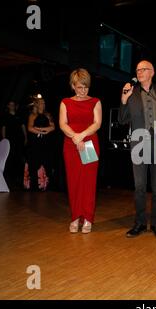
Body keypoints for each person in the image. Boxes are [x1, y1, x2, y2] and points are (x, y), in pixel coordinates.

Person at [119, 60, 156, 239]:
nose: (139, 72)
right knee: (139, 187)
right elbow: (122, 119)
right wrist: (124, 98)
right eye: (137, 70)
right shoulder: (132, 94)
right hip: (139, 144)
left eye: (143, 69)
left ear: (152, 72)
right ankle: (139, 223)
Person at [59, 68, 102, 234]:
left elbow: (97, 123)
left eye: (86, 87)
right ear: (72, 86)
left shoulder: (95, 101)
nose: (83, 91)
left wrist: (81, 136)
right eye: (79, 87)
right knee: (74, 182)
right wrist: (75, 137)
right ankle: (76, 217)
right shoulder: (65, 102)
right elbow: (63, 124)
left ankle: (88, 218)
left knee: (88, 183)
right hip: (71, 146)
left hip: (89, 144)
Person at [26, 98, 55, 191]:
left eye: (44, 102)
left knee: (47, 162)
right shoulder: (33, 115)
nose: (43, 104)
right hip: (35, 142)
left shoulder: (47, 114)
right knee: (34, 163)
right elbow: (30, 128)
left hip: (46, 142)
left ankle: (47, 185)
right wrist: (41, 131)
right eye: (41, 102)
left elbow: (53, 127)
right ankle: (34, 186)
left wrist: (42, 130)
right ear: (37, 104)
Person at [1, 100, 27, 186]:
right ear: (8, 106)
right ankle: (9, 180)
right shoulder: (5, 116)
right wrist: (4, 139)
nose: (12, 106)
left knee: (19, 158)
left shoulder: (19, 116)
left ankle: (19, 180)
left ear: (15, 106)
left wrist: (25, 137)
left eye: (13, 104)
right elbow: (3, 128)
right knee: (9, 159)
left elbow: (23, 126)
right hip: (9, 141)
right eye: (10, 104)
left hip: (19, 140)